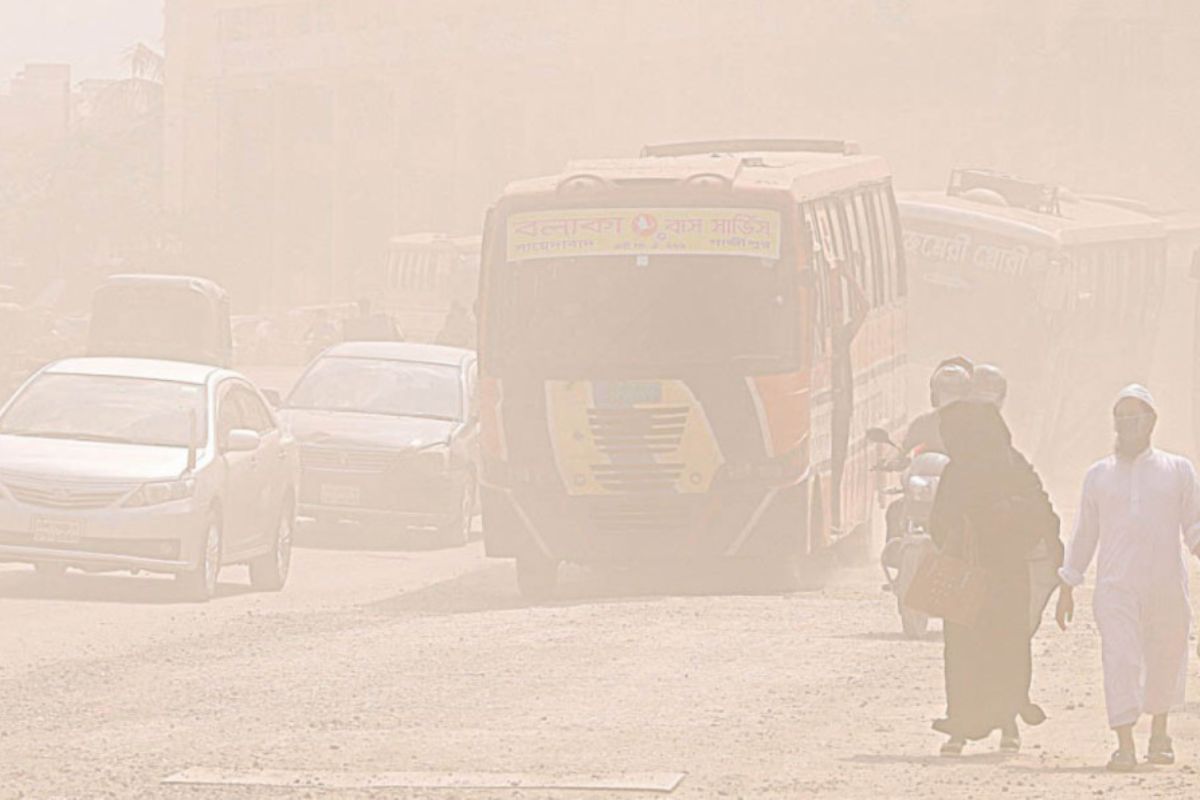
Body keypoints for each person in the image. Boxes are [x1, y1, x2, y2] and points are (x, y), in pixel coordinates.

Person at [1055, 384, 1200, 771]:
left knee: (1166, 656)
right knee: (1119, 658)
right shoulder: (1099, 475)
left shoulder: (1178, 469)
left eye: (1134, 420)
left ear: (1151, 422)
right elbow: (1085, 534)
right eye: (1120, 421)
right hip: (1115, 587)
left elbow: (1195, 527)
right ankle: (1124, 743)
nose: (1126, 428)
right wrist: (1068, 583)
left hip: (1167, 584)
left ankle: (1159, 734)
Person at [930, 401, 1062, 756]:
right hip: (983, 575)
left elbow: (1038, 509)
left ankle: (1001, 723)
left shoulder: (1007, 465)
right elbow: (939, 521)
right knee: (980, 651)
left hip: (995, 576)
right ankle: (970, 724)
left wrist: (1001, 517)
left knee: (993, 649)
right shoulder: (966, 469)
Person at [899, 357, 975, 456]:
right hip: (927, 470)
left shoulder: (977, 424)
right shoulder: (922, 423)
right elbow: (904, 450)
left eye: (955, 396)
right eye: (944, 395)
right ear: (935, 395)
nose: (949, 404)